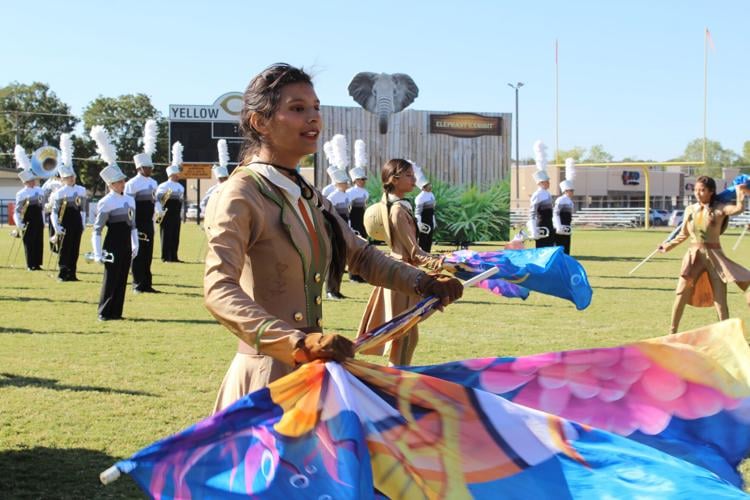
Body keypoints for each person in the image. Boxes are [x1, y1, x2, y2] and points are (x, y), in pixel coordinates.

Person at [203, 63, 463, 413]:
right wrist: (297, 342)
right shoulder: (240, 193)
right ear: (259, 122)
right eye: (297, 109)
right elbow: (218, 289)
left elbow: (360, 256)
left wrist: (423, 282)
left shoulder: (305, 192)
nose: (313, 119)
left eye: (316, 108)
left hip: (312, 377)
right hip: (264, 383)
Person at [357, 159, 446, 367]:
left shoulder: (399, 206)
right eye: (408, 175)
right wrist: (443, 262)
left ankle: (397, 378)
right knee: (403, 336)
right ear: (393, 180)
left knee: (407, 334)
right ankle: (396, 381)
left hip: (402, 272)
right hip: (401, 276)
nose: (414, 180)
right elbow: (414, 252)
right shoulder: (397, 210)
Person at [658, 176, 750, 334]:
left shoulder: (720, 208)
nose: (698, 193)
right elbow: (683, 234)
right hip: (693, 258)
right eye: (695, 190)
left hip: (715, 258)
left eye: (702, 190)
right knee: (681, 293)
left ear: (711, 191)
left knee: (720, 299)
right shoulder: (690, 210)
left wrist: (740, 193)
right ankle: (672, 332)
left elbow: (737, 209)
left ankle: (727, 335)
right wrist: (667, 245)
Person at [90, 125, 139, 321]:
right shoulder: (105, 202)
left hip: (126, 242)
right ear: (110, 184)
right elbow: (97, 229)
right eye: (118, 182)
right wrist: (97, 251)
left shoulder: (129, 199)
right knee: (110, 279)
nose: (122, 184)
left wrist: (135, 243)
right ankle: (104, 311)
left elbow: (133, 225)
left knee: (121, 279)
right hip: (112, 243)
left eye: (122, 181)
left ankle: (117, 311)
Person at [125, 120, 161, 293]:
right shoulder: (132, 183)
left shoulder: (153, 182)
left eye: (150, 167)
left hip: (148, 220)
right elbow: (129, 204)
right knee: (138, 252)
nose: (150, 169)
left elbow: (155, 200)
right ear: (140, 167)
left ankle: (147, 283)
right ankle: (137, 283)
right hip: (137, 220)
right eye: (147, 167)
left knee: (148, 252)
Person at [49, 134, 87, 281]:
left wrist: (83, 222)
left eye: (73, 177)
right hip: (64, 221)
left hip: (77, 220)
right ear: (63, 179)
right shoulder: (59, 192)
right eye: (68, 177)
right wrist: (56, 226)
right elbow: (54, 211)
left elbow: (83, 208)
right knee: (64, 249)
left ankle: (73, 273)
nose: (72, 179)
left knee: (75, 249)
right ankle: (62, 273)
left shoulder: (81, 190)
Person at [13, 145, 44, 271]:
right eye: (30, 181)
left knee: (38, 241)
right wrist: (18, 222)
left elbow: (42, 204)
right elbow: (17, 210)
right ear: (25, 182)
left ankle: (37, 263)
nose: (33, 182)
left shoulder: (39, 190)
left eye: (33, 180)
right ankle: (30, 264)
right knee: (29, 241)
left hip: (38, 218)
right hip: (27, 218)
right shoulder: (21, 193)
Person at [156, 146, 185, 263]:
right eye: (176, 174)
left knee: (175, 236)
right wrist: (159, 212)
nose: (178, 176)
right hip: (166, 214)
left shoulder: (180, 187)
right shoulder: (163, 186)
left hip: (176, 214)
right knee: (166, 235)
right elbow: (159, 200)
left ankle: (174, 256)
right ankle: (165, 256)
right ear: (172, 175)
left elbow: (181, 201)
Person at [325, 166, 351, 299]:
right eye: (345, 182)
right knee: (333, 259)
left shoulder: (346, 195)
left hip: (343, 229)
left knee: (341, 259)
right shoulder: (332, 196)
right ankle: (330, 290)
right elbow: (327, 214)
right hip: (334, 229)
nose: (347, 184)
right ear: (338, 183)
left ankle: (337, 289)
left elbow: (347, 214)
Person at [528, 140, 555, 247]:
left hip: (549, 224)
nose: (549, 183)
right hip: (541, 225)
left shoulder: (547, 194)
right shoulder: (537, 194)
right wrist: (533, 229)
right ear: (541, 182)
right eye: (547, 181)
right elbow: (532, 212)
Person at [199, 140, 230, 215]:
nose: (223, 179)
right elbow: (203, 203)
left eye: (225, 177)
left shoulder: (231, 187)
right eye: (222, 178)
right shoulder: (213, 189)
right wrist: (207, 212)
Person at [414, 169, 436, 253]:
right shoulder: (420, 197)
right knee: (423, 237)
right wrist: (419, 222)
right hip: (423, 220)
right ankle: (422, 255)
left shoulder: (431, 195)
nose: (430, 186)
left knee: (429, 238)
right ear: (423, 187)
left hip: (430, 219)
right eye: (428, 185)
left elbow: (432, 209)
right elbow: (418, 212)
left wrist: (433, 220)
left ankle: (428, 253)